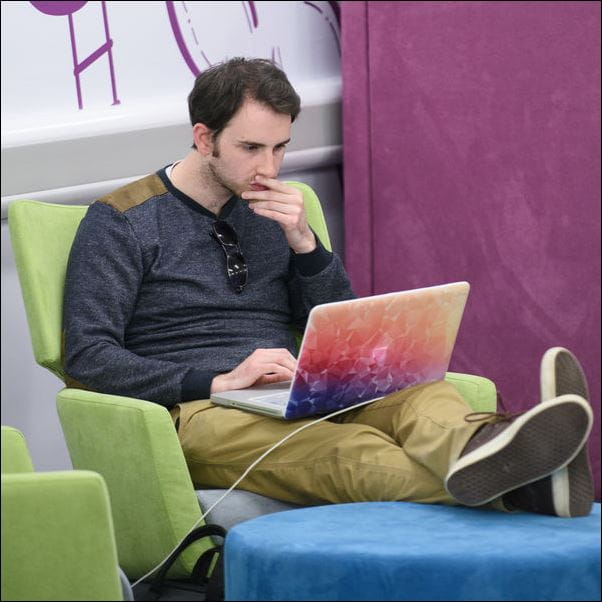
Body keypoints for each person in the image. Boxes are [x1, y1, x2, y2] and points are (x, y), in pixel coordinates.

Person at [62, 57, 595, 518]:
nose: (267, 168)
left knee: (422, 391)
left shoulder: (278, 209)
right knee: (351, 450)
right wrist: (217, 380)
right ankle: (528, 488)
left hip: (297, 389)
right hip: (203, 412)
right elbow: (88, 356)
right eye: (250, 147)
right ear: (204, 138)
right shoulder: (121, 222)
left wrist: (304, 244)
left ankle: (496, 446)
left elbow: (344, 324)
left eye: (280, 148)